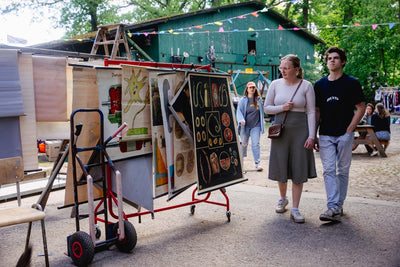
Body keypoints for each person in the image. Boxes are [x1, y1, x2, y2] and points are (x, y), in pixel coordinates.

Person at [314, 46, 366, 222]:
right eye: (329, 58)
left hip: (345, 133)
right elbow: (317, 111)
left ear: (342, 61)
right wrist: (313, 134)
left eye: (335, 58)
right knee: (328, 170)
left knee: (342, 170)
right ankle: (333, 207)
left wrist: (351, 128)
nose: (332, 60)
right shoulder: (320, 85)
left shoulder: (352, 83)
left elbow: (361, 107)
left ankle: (338, 205)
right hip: (326, 134)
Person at [264, 54, 316, 223]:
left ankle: (295, 208)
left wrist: (311, 135)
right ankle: (282, 198)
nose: (283, 71)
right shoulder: (275, 84)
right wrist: (282, 107)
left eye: (286, 68)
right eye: (281, 68)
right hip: (281, 129)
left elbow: (311, 112)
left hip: (300, 129)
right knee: (281, 164)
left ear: (296, 69)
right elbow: (267, 108)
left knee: (298, 166)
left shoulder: (306, 86)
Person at [237, 81, 265, 171]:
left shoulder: (259, 100)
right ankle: (241, 165)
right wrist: (241, 120)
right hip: (245, 127)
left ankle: (257, 164)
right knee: (243, 144)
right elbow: (239, 112)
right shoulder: (243, 100)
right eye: (250, 87)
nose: (252, 89)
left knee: (255, 144)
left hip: (255, 126)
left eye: (253, 87)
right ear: (247, 89)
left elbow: (262, 112)